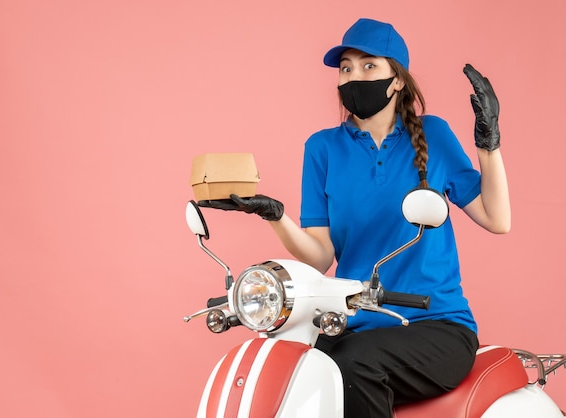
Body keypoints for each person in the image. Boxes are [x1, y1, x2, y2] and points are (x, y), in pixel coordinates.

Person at [198, 17, 510, 417]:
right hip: (351, 324)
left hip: (436, 324)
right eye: (346, 68)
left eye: (368, 66)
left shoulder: (434, 134)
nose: (353, 76)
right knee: (290, 370)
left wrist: (489, 143)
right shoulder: (323, 148)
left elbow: (497, 219)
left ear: (396, 79)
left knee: (352, 366)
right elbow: (320, 257)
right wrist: (275, 216)